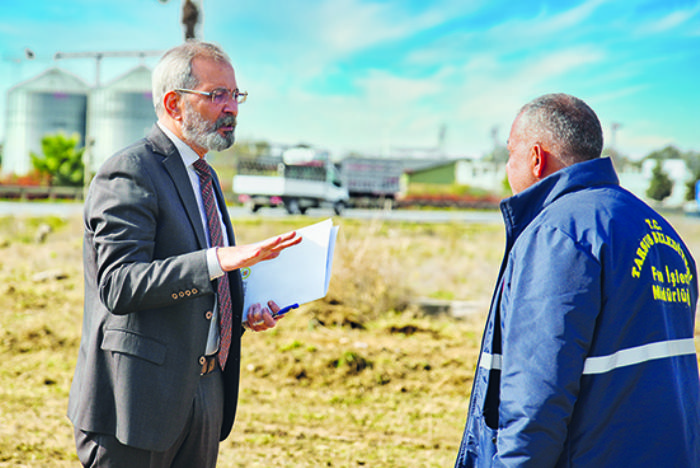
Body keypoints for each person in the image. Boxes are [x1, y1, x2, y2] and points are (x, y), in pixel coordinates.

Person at [68, 40, 301, 467]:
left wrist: (243, 308)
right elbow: (119, 285)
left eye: (236, 95)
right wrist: (219, 260)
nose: (232, 108)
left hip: (205, 393)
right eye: (217, 95)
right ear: (174, 103)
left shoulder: (203, 174)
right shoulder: (130, 170)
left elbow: (196, 281)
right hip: (136, 404)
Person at [455, 93, 700, 467]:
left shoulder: (559, 234)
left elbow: (536, 397)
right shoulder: (663, 234)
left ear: (536, 158)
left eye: (510, 153)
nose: (508, 167)